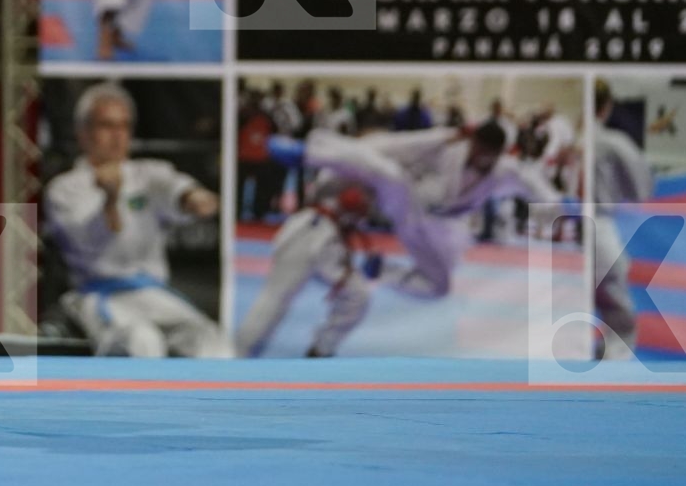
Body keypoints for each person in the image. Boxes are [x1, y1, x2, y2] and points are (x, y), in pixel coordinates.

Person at [274, 120, 561, 299]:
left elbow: (534, 182)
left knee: (439, 287)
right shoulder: (449, 143)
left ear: (499, 153)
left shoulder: (505, 171)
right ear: (473, 141)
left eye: (489, 155)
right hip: (407, 201)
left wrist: (558, 202)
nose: (482, 158)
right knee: (386, 169)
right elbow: (396, 145)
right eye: (479, 149)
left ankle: (380, 271)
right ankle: (305, 152)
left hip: (440, 229)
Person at [44, 82, 228, 357]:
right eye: (107, 126)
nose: (117, 135)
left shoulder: (147, 173)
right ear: (83, 132)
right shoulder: (66, 188)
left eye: (124, 126)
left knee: (209, 338)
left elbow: (171, 186)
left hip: (151, 293)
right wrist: (110, 200)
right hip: (100, 295)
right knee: (141, 341)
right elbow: (88, 241)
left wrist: (192, 196)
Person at [234, 178, 376, 358]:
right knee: (273, 300)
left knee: (357, 294)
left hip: (331, 237)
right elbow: (338, 193)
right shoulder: (341, 168)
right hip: (310, 230)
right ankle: (238, 357)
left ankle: (321, 350)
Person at [587, 79, 655, 356]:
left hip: (555, 230)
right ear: (606, 107)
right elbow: (642, 189)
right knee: (619, 323)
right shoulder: (612, 142)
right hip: (597, 229)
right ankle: (612, 370)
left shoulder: (563, 139)